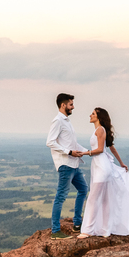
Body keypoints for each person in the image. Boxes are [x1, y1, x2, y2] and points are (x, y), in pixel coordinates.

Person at [77, 107, 129, 238]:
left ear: (99, 117)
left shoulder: (100, 130)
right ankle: (105, 230)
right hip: (100, 165)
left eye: (93, 114)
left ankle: (87, 231)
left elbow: (100, 149)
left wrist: (85, 153)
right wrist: (121, 163)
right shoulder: (100, 130)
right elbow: (111, 147)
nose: (90, 115)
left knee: (93, 198)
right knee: (105, 199)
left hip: (102, 166)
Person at [46, 93, 88, 239]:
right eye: (71, 104)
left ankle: (77, 224)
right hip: (65, 164)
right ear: (63, 105)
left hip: (74, 164)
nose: (73, 107)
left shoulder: (67, 121)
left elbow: (73, 144)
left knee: (83, 189)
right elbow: (50, 142)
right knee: (61, 196)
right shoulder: (58, 121)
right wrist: (69, 152)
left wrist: (89, 152)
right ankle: (55, 231)